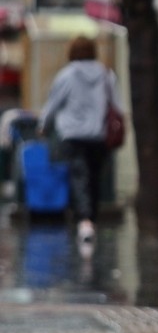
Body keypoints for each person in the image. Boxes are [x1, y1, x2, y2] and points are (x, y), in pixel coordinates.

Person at [39, 35, 124, 248]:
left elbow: (53, 103)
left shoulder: (67, 75)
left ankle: (85, 221)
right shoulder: (106, 74)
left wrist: (43, 125)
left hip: (73, 134)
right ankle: (90, 219)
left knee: (79, 175)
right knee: (93, 177)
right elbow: (118, 105)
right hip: (99, 134)